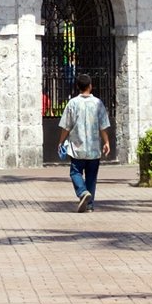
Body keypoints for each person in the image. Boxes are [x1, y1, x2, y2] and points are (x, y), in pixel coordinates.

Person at [59, 77, 110, 212]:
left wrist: (61, 141)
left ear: (78, 86)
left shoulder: (72, 103)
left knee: (75, 172)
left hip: (77, 147)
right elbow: (103, 126)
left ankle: (82, 192)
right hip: (93, 149)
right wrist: (106, 142)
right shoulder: (98, 103)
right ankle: (89, 205)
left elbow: (66, 126)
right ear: (90, 86)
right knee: (91, 177)